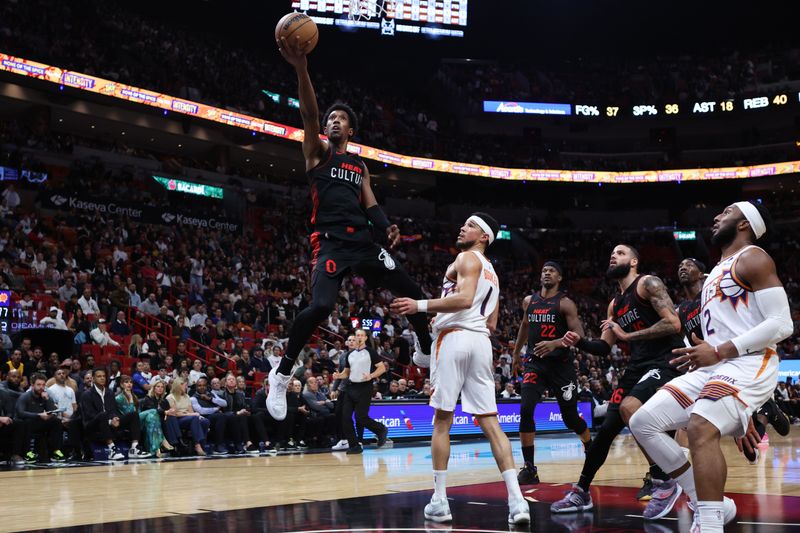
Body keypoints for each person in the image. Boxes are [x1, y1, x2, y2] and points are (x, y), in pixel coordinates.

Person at [266, 34, 434, 422]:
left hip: (364, 243)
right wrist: (302, 68)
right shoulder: (317, 153)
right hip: (329, 244)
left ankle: (425, 347)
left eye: (340, 119)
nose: (332, 121)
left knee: (410, 290)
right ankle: (282, 372)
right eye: (330, 119)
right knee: (321, 306)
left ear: (351, 130)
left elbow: (371, 203)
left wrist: (388, 227)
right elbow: (309, 114)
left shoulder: (359, 166)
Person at [629, 201, 793, 531]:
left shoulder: (753, 257)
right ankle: (713, 502)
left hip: (748, 363)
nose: (717, 216)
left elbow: (782, 323)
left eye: (728, 212)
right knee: (643, 421)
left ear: (745, 224)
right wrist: (734, 410)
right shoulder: (714, 272)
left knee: (700, 427)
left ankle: (709, 522)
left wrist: (720, 355)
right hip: (717, 367)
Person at [391, 213, 530, 525]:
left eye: (469, 225)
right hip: (481, 343)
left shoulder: (467, 257)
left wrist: (420, 306)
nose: (461, 227)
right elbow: (492, 324)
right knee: (491, 423)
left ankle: (440, 500)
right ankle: (517, 502)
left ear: (483, 236)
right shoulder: (494, 273)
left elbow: (465, 298)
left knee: (442, 421)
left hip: (454, 340)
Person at [549, 243, 685, 513]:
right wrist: (579, 341)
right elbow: (603, 346)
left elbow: (673, 323)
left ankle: (663, 480)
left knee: (630, 408)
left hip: (667, 360)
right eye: (611, 254)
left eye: (620, 253)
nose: (614, 256)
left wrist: (628, 336)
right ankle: (581, 492)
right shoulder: (615, 304)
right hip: (637, 366)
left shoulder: (648, 284)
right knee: (607, 428)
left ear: (634, 261)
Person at [511, 261, 592, 485]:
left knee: (570, 418)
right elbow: (525, 326)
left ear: (559, 278)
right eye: (544, 270)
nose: (546, 273)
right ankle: (529, 468)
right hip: (535, 364)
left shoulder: (565, 304)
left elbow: (579, 334)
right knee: (526, 410)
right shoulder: (530, 301)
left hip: (561, 366)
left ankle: (589, 445)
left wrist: (555, 343)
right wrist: (517, 353)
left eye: (552, 271)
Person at [333, 329, 389, 454]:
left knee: (361, 417)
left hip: (365, 387)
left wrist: (371, 375)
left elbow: (382, 368)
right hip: (351, 387)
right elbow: (347, 373)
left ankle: (380, 429)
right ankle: (354, 445)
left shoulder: (370, 352)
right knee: (345, 417)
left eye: (361, 335)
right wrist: (338, 376)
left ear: (365, 338)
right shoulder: (350, 355)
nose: (358, 337)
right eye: (356, 335)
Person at [79, 368, 151, 460]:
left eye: (104, 376)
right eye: (99, 376)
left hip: (109, 422)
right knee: (103, 415)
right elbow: (90, 414)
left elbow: (113, 410)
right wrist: (109, 421)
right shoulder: (86, 394)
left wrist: (115, 418)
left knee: (133, 415)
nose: (102, 378)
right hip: (93, 425)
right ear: (93, 378)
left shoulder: (109, 392)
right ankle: (112, 450)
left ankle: (134, 448)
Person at [15, 373, 66, 462]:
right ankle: (27, 453)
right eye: (38, 385)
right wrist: (38, 415)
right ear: (32, 385)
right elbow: (20, 413)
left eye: (43, 385)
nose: (41, 387)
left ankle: (56, 451)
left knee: (56, 421)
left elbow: (54, 411)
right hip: (25, 424)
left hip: (39, 422)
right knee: (26, 422)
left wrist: (47, 400)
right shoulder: (25, 396)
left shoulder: (44, 396)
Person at [114, 376, 162, 457]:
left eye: (131, 382)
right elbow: (130, 414)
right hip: (125, 422)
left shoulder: (134, 396)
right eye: (126, 382)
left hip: (136, 422)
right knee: (153, 411)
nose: (129, 384)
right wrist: (130, 400)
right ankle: (161, 442)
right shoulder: (119, 398)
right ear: (122, 385)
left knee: (151, 418)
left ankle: (153, 450)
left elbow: (138, 413)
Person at [165, 377, 209, 456]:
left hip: (189, 418)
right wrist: (192, 415)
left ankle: (202, 444)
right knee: (194, 418)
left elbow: (191, 410)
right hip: (178, 419)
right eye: (185, 386)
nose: (186, 387)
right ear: (179, 386)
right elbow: (175, 414)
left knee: (205, 421)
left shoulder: (187, 396)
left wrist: (197, 416)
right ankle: (197, 445)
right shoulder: (170, 397)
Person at [190, 376, 230, 455]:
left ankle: (234, 443)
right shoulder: (193, 398)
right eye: (199, 385)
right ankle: (218, 445)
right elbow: (201, 410)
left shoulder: (211, 393)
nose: (202, 387)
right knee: (220, 416)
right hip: (203, 417)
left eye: (204, 385)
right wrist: (215, 409)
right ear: (196, 387)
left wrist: (210, 399)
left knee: (230, 416)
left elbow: (225, 403)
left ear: (207, 386)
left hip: (215, 416)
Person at [0, 385, 29, 464]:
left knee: (20, 424)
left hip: (1, 424)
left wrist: (5, 419)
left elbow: (9, 412)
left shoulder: (3, 393)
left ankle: (16, 455)